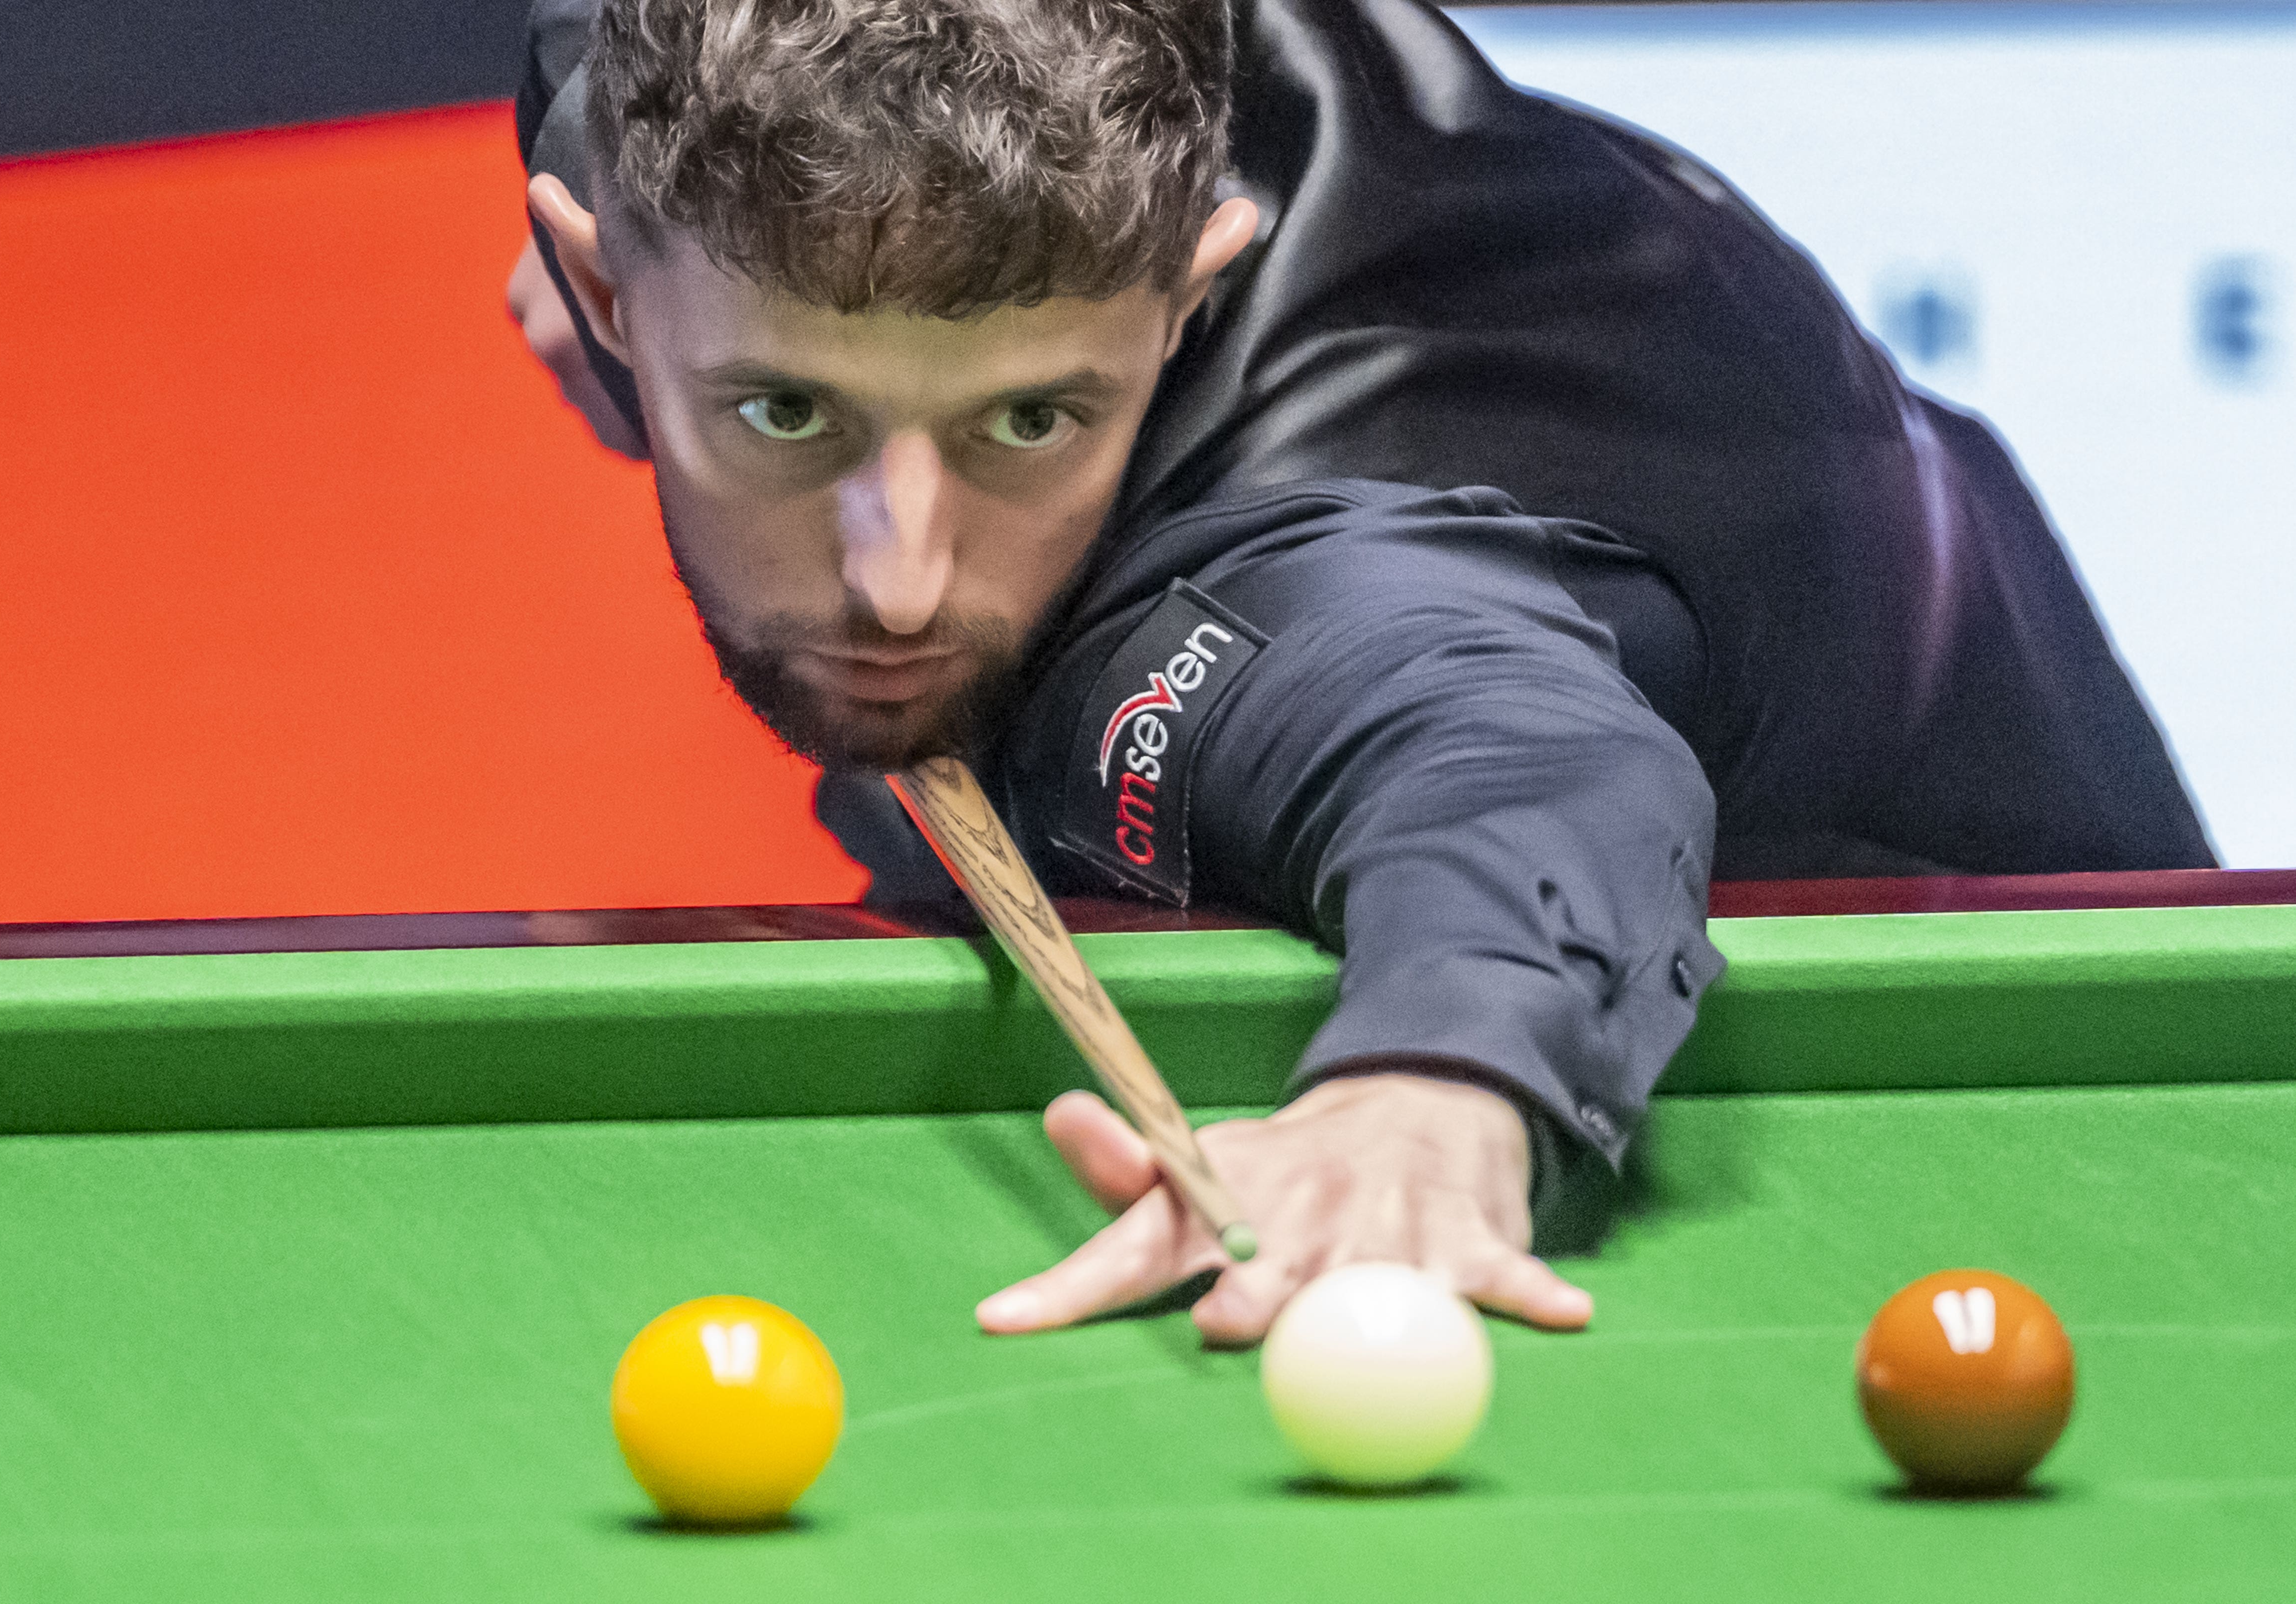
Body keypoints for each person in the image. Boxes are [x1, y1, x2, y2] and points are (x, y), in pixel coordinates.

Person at [507, 0, 2212, 1344]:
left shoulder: (1300, 567)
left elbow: (1503, 746)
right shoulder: (669, 80)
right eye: (791, 406)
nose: (898, 580)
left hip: (1949, 912)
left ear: (1185, 300)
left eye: (1031, 416)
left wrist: (1441, 1076)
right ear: (601, 269)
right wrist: (671, 342)